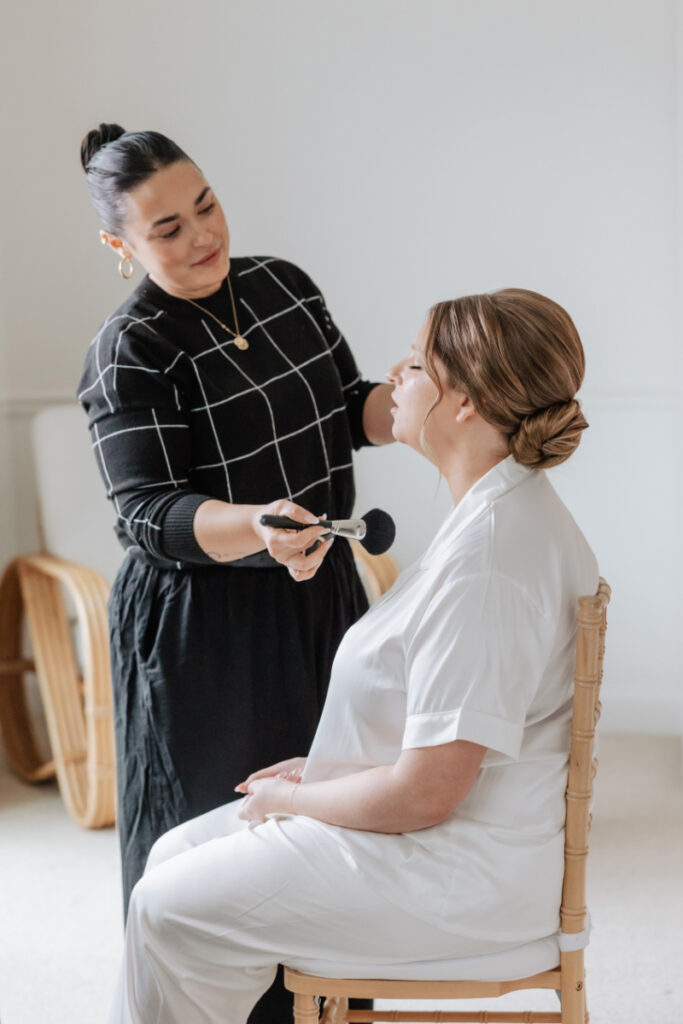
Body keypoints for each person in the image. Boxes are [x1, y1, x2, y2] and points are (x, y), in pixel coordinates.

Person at [107, 287, 599, 1024]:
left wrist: (295, 799)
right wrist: (326, 772)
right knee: (169, 858)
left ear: (463, 402)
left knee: (167, 907)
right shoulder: (498, 513)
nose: (395, 374)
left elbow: (428, 793)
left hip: (458, 877)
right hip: (450, 842)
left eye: (415, 362)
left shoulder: (491, 558)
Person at [78, 124, 394, 1022]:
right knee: (217, 848)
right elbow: (149, 513)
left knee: (330, 824)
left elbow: (345, 407)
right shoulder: (130, 349)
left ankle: (332, 1005)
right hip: (201, 631)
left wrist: (415, 402)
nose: (201, 236)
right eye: (166, 228)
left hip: (319, 596)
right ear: (121, 245)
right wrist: (256, 526)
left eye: (205, 205)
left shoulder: (284, 286)